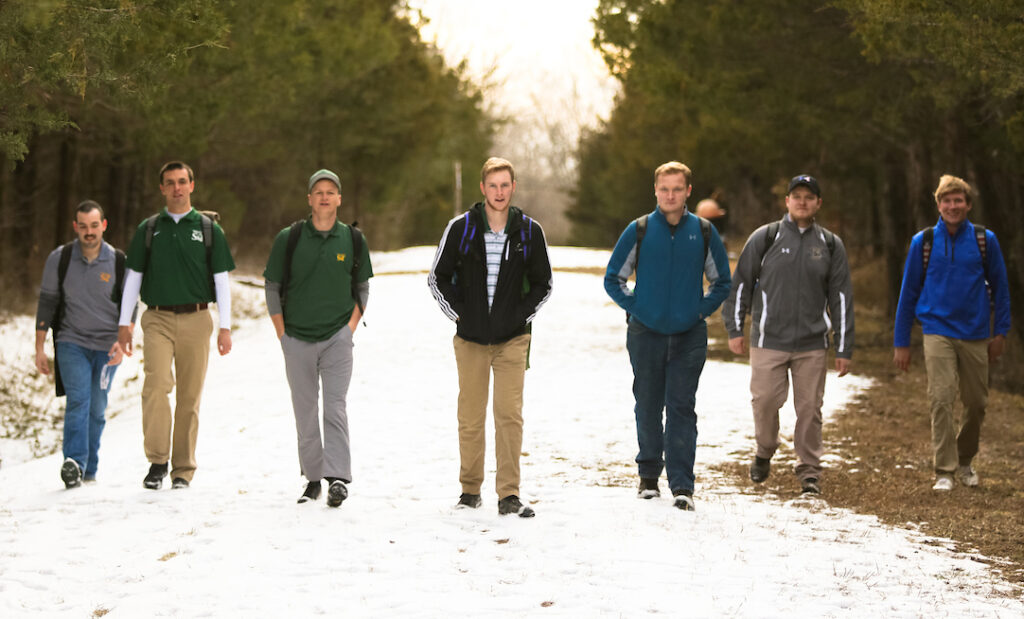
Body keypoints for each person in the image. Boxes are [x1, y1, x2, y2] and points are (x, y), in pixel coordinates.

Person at [428, 157, 552, 518]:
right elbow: (438, 278)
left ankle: (509, 494)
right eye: (493, 185)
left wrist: (519, 317)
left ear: (513, 187)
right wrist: (462, 316)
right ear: (482, 188)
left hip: (512, 340)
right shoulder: (461, 228)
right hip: (470, 341)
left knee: (509, 415)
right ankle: (470, 489)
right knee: (470, 416)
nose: (499, 192)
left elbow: (544, 284)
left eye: (505, 185)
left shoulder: (529, 231)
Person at [604, 161, 731, 511]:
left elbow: (722, 282)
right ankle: (648, 477)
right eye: (664, 189)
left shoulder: (703, 232)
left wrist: (699, 310)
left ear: (688, 191)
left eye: (677, 189)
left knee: (681, 407)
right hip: (645, 333)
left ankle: (682, 485)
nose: (670, 195)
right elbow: (613, 278)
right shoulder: (640, 230)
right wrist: (638, 308)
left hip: (689, 335)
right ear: (655, 191)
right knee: (647, 403)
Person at [721, 175, 854, 496]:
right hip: (768, 339)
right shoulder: (765, 238)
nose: (803, 202)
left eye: (810, 197)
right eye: (797, 196)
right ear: (787, 202)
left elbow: (841, 298)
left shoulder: (830, 245)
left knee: (810, 409)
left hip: (812, 344)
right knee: (765, 401)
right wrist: (735, 328)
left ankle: (809, 471)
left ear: (818, 203)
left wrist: (844, 346)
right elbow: (740, 284)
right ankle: (765, 450)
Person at [117, 161, 235, 490]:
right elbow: (133, 278)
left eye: (182, 181)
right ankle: (157, 462)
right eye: (170, 183)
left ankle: (182, 469)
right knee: (156, 386)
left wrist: (225, 327)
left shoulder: (210, 230)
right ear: (162, 188)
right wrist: (124, 322)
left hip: (198, 319)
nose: (177, 188)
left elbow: (221, 281)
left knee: (189, 396)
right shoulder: (149, 229)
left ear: (192, 186)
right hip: (157, 318)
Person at [893, 174, 1010, 492]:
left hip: (975, 332)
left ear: (968, 204)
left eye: (958, 200)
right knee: (941, 398)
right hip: (936, 331)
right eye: (947, 200)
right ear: (939, 205)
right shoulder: (924, 242)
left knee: (976, 403)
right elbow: (908, 293)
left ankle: (964, 460)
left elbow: (1001, 289)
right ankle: (944, 470)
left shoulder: (986, 241)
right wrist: (901, 341)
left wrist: (1000, 332)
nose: (953, 206)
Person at [263, 169, 373, 507]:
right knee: (305, 409)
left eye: (331, 192)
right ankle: (312, 479)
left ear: (339, 198)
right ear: (309, 198)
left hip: (337, 338)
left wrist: (349, 328)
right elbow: (272, 287)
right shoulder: (289, 238)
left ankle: (338, 477)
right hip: (296, 338)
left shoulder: (352, 239)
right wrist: (283, 334)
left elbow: (363, 287)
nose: (324, 197)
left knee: (335, 407)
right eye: (318, 192)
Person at [35, 200, 131, 488]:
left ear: (103, 225)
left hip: (107, 346)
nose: (89, 232)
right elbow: (47, 303)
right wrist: (39, 347)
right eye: (83, 226)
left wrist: (122, 340)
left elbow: (129, 306)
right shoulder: (60, 258)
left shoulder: (118, 261)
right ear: (75, 227)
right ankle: (74, 463)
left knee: (97, 407)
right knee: (79, 400)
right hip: (70, 341)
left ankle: (89, 468)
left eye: (94, 226)